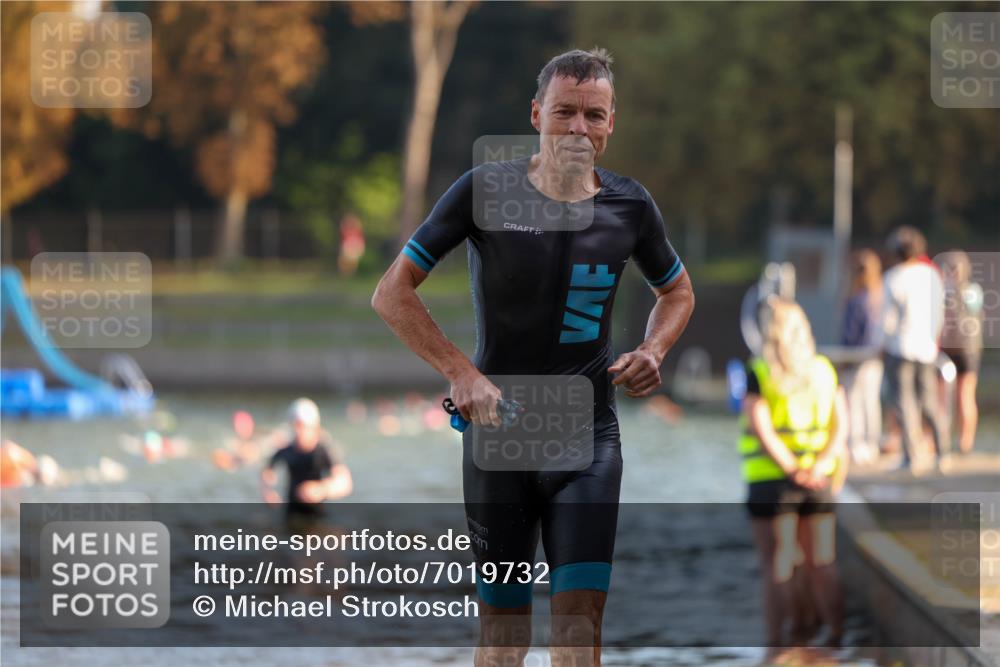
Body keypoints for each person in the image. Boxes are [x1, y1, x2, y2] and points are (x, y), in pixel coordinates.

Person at [372, 48, 695, 667]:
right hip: (502, 439)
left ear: (610, 124)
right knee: (504, 638)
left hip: (588, 440)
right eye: (564, 112)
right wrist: (460, 372)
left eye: (592, 116)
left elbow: (676, 290)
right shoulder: (484, 190)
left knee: (578, 632)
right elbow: (391, 292)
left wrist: (654, 347)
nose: (578, 128)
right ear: (536, 114)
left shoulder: (630, 207)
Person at [740, 297, 847, 660]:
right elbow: (841, 425)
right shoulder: (824, 369)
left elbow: (761, 425)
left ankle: (777, 645)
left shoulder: (760, 370)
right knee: (822, 561)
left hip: (773, 480)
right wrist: (820, 466)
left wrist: (791, 469)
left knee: (778, 564)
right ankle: (833, 639)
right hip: (819, 478)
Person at [878, 226, 950, 472]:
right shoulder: (931, 275)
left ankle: (911, 456)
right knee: (929, 402)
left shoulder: (893, 277)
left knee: (904, 403)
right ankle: (943, 452)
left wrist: (882, 344)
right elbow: (938, 313)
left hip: (901, 348)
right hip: (927, 348)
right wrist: (933, 338)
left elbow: (887, 321)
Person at [260, 398, 353, 527]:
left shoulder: (325, 450)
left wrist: (322, 489)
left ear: (315, 427)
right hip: (291, 513)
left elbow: (345, 482)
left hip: (319, 516)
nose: (299, 432)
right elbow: (267, 471)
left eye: (303, 426)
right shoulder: (287, 450)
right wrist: (268, 492)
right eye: (296, 426)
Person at [840, 249, 884, 465]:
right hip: (875, 358)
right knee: (871, 403)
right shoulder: (880, 298)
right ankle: (872, 444)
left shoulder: (857, 300)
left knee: (854, 402)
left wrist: (845, 358)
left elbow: (851, 334)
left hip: (857, 357)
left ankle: (857, 445)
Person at [937, 250, 984, 454]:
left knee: (962, 395)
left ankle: (964, 441)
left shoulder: (967, 291)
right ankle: (947, 439)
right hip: (955, 349)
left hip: (964, 350)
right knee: (946, 397)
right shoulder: (970, 290)